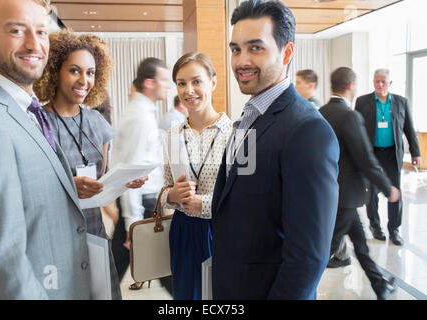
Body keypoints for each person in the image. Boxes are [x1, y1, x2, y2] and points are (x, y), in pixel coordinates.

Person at [211, 0, 340, 300]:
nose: (241, 60)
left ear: (287, 52)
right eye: (235, 49)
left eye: (256, 48)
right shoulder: (248, 116)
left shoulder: (308, 130)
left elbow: (308, 257)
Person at [0, 0, 92, 299]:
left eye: (41, 32)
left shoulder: (26, 108)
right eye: (17, 30)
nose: (34, 44)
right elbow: (1, 260)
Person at [33, 29, 147, 300]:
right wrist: (70, 186)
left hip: (95, 234)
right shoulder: (38, 123)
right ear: (55, 71)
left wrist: (123, 182)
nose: (84, 80)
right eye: (74, 71)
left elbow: (102, 181)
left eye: (91, 72)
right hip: (55, 236)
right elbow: (31, 187)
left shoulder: (98, 124)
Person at [319, 67, 399, 300]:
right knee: (325, 251)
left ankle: (379, 285)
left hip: (332, 194)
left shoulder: (321, 113)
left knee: (361, 245)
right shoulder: (349, 116)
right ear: (351, 86)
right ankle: (296, 290)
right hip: (346, 196)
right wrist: (387, 188)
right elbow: (365, 159)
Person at [161, 52, 232, 300]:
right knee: (186, 295)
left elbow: (249, 200)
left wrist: (204, 203)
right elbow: (165, 190)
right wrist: (171, 195)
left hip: (223, 230)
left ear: (212, 82)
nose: (189, 90)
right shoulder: (171, 135)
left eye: (196, 81)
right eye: (181, 83)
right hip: (183, 230)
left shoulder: (240, 135)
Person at [111, 57, 173, 292]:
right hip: (142, 205)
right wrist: (133, 222)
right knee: (166, 269)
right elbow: (131, 175)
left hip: (144, 203)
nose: (168, 85)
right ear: (149, 83)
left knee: (117, 266)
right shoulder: (139, 117)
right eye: (164, 80)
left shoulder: (143, 112)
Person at [355, 68, 421, 246]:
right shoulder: (363, 102)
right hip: (372, 154)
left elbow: (409, 129)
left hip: (392, 154)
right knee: (372, 192)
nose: (380, 84)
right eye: (377, 81)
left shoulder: (401, 102)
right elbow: (357, 130)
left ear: (390, 83)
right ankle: (375, 226)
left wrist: (416, 153)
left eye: (383, 81)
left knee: (395, 191)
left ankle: (394, 229)